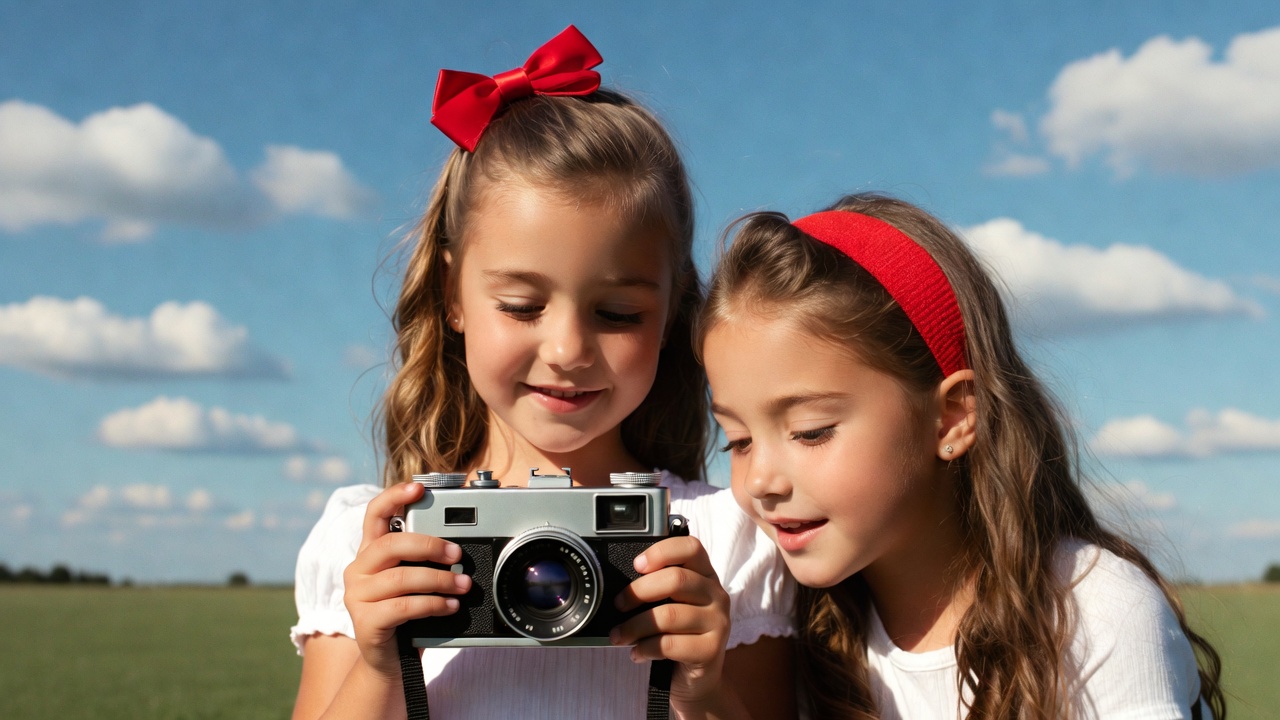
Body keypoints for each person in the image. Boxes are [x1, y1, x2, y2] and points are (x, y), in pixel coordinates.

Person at [290, 26, 795, 720]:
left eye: (617, 313)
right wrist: (381, 665)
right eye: (522, 305)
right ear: (452, 295)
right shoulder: (372, 544)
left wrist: (701, 689)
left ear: (673, 310)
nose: (567, 349)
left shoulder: (728, 542)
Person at [696, 193, 1226, 719]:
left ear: (952, 417)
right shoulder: (788, 624)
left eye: (810, 432)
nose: (760, 480)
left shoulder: (1096, 615)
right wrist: (701, 699)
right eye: (738, 440)